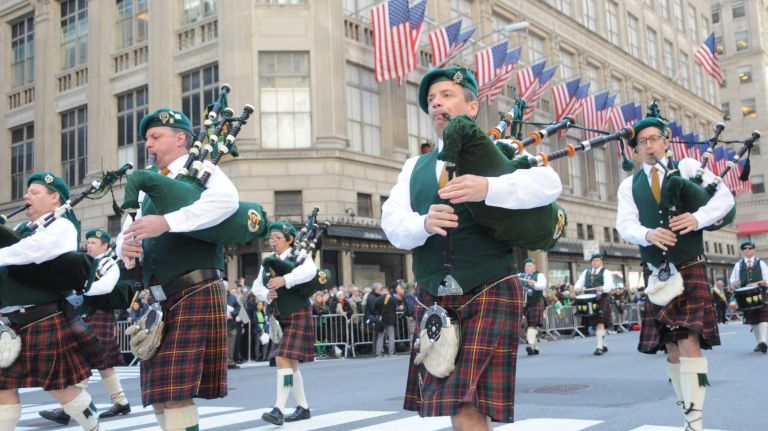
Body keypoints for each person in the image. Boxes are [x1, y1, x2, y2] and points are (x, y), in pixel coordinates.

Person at [381, 65, 562, 429]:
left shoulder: (498, 151)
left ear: (472, 106)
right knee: (460, 405)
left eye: (447, 95)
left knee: (465, 404)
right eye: (431, 100)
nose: (436, 104)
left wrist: (489, 188)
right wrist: (424, 223)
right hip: (434, 296)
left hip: (489, 287)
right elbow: (392, 223)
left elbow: (549, 184)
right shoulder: (415, 166)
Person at [116, 108, 238, 431]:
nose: (148, 144)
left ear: (181, 138)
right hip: (159, 299)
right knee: (159, 394)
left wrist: (168, 222)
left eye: (155, 136)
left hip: (194, 288)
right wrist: (124, 247)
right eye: (146, 139)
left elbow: (228, 203)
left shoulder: (202, 170)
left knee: (176, 394)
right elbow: (127, 228)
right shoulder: (146, 185)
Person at [616, 103, 734, 431]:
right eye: (643, 142)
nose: (650, 146)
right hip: (657, 273)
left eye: (655, 139)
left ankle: (695, 421)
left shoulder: (689, 167)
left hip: (689, 264)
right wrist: (648, 233)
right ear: (636, 148)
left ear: (666, 141)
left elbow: (724, 199)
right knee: (670, 346)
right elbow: (624, 224)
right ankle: (687, 412)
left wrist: (697, 218)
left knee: (688, 340)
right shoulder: (630, 185)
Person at [0, 172, 108, 431]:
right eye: (26, 193)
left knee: (60, 387)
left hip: (42, 317)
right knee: (3, 387)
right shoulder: (23, 229)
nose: (26, 196)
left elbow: (32, 253)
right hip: (12, 322)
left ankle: (94, 427)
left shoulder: (62, 227)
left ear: (54, 198)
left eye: (34, 192)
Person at [39, 229, 132, 425]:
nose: (89, 245)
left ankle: (68, 409)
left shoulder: (107, 262)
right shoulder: (90, 264)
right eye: (88, 242)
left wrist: (80, 292)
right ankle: (121, 402)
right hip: (91, 313)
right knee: (102, 362)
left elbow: (107, 286)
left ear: (105, 246)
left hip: (99, 313)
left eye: (94, 242)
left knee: (85, 358)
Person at [253, 221, 318, 426]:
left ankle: (278, 409)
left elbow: (310, 272)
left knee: (283, 358)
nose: (273, 242)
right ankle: (303, 407)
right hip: (279, 318)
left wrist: (285, 279)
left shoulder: (300, 256)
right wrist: (266, 293)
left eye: (277, 238)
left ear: (290, 239)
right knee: (290, 364)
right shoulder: (268, 261)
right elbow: (256, 286)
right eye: (271, 238)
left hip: (298, 312)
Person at [729, 241, 768, 352]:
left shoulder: (761, 263)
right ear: (742, 251)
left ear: (754, 250)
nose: (747, 250)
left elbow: (767, 279)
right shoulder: (738, 265)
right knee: (753, 320)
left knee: (763, 318)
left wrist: (761, 283)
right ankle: (760, 342)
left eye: (750, 248)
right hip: (745, 296)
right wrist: (734, 282)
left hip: (760, 293)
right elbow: (732, 280)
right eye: (745, 249)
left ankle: (763, 341)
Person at [574, 253, 616, 355]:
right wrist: (577, 288)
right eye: (593, 261)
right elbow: (579, 283)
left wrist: (603, 288)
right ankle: (603, 344)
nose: (594, 262)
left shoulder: (605, 272)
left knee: (600, 322)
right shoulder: (586, 272)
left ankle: (599, 347)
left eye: (597, 260)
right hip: (590, 300)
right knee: (595, 323)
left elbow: (609, 284)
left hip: (601, 299)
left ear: (601, 261)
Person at [520, 258, 546, 355]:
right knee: (524, 324)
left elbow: (542, 286)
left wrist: (534, 284)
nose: (528, 267)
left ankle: (530, 345)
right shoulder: (520, 276)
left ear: (534, 266)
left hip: (535, 302)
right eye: (526, 266)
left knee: (532, 324)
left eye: (530, 265)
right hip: (523, 303)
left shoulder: (539, 275)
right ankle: (535, 346)